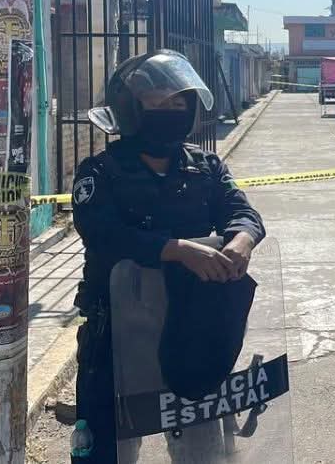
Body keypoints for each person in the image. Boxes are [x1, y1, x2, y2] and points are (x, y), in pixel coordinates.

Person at [70, 50, 265, 462]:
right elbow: (102, 233)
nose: (170, 110)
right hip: (118, 329)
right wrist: (174, 250)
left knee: (204, 443)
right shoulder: (99, 171)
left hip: (191, 321)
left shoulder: (205, 165)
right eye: (158, 102)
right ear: (130, 108)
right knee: (108, 445)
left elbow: (241, 211)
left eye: (179, 102)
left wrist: (241, 240)